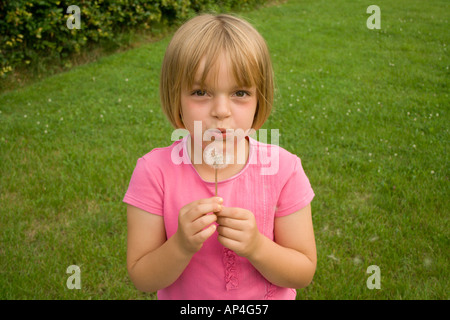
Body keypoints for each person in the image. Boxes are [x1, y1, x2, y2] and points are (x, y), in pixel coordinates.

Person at [123, 13, 316, 300]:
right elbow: (143, 277)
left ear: (259, 99)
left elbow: (302, 272)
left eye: (239, 92)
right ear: (175, 97)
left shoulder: (284, 170)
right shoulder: (153, 172)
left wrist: (256, 247)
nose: (221, 111)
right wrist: (180, 246)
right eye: (201, 92)